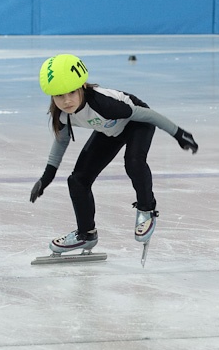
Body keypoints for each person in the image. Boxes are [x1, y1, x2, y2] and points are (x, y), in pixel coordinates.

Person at [30, 54, 198, 254]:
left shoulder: (103, 103)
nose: (66, 101)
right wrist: (46, 178)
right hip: (109, 130)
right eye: (59, 95)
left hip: (138, 122)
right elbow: (61, 142)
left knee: (134, 162)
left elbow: (147, 115)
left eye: (71, 92)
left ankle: (146, 209)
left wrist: (178, 133)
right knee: (77, 180)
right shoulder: (62, 114)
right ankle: (86, 234)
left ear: (82, 86)